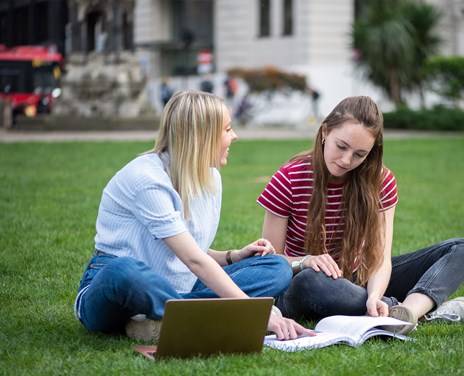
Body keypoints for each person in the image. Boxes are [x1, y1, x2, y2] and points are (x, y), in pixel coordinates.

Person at [74, 90, 311, 342]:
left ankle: (163, 318)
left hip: (182, 285)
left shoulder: (211, 177)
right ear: (203, 136)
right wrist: (256, 313)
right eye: (227, 129)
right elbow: (193, 258)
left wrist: (232, 257)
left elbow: (189, 250)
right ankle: (207, 315)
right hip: (120, 289)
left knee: (275, 268)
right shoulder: (146, 179)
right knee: (125, 270)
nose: (235, 136)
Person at [257, 96, 464, 334]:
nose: (346, 160)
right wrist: (307, 260)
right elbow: (271, 262)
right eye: (341, 146)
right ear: (325, 132)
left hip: (362, 277)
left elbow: (380, 257)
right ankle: (409, 310)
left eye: (359, 154)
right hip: (306, 284)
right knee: (311, 280)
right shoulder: (289, 178)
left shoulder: (381, 181)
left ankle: (407, 313)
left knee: (462, 249)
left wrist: (374, 294)